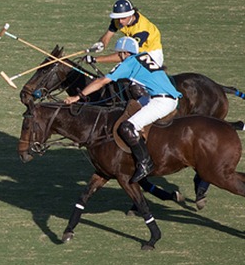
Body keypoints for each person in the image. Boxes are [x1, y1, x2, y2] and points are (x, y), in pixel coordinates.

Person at [64, 37, 182, 183]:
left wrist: (77, 97)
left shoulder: (128, 64)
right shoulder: (143, 56)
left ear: (125, 53)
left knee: (127, 127)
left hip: (162, 101)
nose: (118, 57)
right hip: (163, 95)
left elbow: (101, 82)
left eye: (119, 54)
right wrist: (97, 60)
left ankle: (145, 163)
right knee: (127, 108)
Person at [86, 0, 164, 68]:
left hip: (151, 55)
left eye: (123, 18)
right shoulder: (118, 20)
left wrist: (95, 59)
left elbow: (125, 55)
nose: (120, 21)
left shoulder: (142, 30)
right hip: (134, 54)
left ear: (131, 14)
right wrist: (101, 44)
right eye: (118, 18)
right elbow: (108, 36)